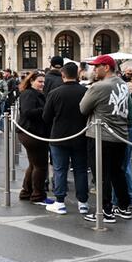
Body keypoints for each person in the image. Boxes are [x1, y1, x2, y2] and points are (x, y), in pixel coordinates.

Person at [79, 55, 132, 224]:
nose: (94, 70)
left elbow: (83, 108)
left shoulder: (99, 86)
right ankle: (124, 207)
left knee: (101, 174)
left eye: (97, 67)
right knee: (117, 171)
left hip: (101, 135)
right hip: (120, 135)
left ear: (106, 67)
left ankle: (105, 210)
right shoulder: (122, 84)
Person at [43, 62, 90, 215]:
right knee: (81, 170)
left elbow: (46, 117)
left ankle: (60, 202)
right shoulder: (85, 91)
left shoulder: (55, 93)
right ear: (77, 74)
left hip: (59, 136)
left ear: (62, 75)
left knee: (60, 169)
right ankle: (83, 202)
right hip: (81, 135)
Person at [17, 71, 52, 204]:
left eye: (43, 82)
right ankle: (38, 195)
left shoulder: (35, 93)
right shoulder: (28, 94)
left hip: (32, 132)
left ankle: (26, 191)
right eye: (39, 81)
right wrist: (46, 109)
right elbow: (27, 112)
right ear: (31, 81)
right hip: (32, 132)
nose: (42, 84)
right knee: (41, 165)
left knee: (34, 164)